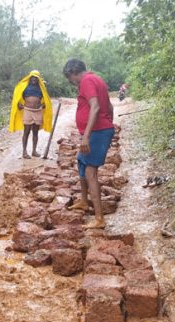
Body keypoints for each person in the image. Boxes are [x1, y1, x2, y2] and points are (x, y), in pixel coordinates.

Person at [62, 58, 115, 229]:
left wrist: (87, 136)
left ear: (73, 73)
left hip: (96, 133)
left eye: (70, 78)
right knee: (81, 162)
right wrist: (108, 125)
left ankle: (99, 219)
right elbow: (110, 107)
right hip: (98, 131)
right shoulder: (97, 80)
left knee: (91, 173)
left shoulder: (86, 81)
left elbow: (96, 106)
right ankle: (84, 201)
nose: (71, 82)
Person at [8, 70, 53, 158]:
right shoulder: (24, 86)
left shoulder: (41, 87)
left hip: (38, 111)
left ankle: (34, 151)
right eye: (32, 77)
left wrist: (44, 104)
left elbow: (46, 98)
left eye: (36, 77)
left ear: (38, 79)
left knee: (35, 132)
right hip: (27, 110)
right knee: (26, 132)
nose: (34, 79)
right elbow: (18, 96)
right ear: (29, 77)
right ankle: (24, 152)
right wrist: (18, 104)